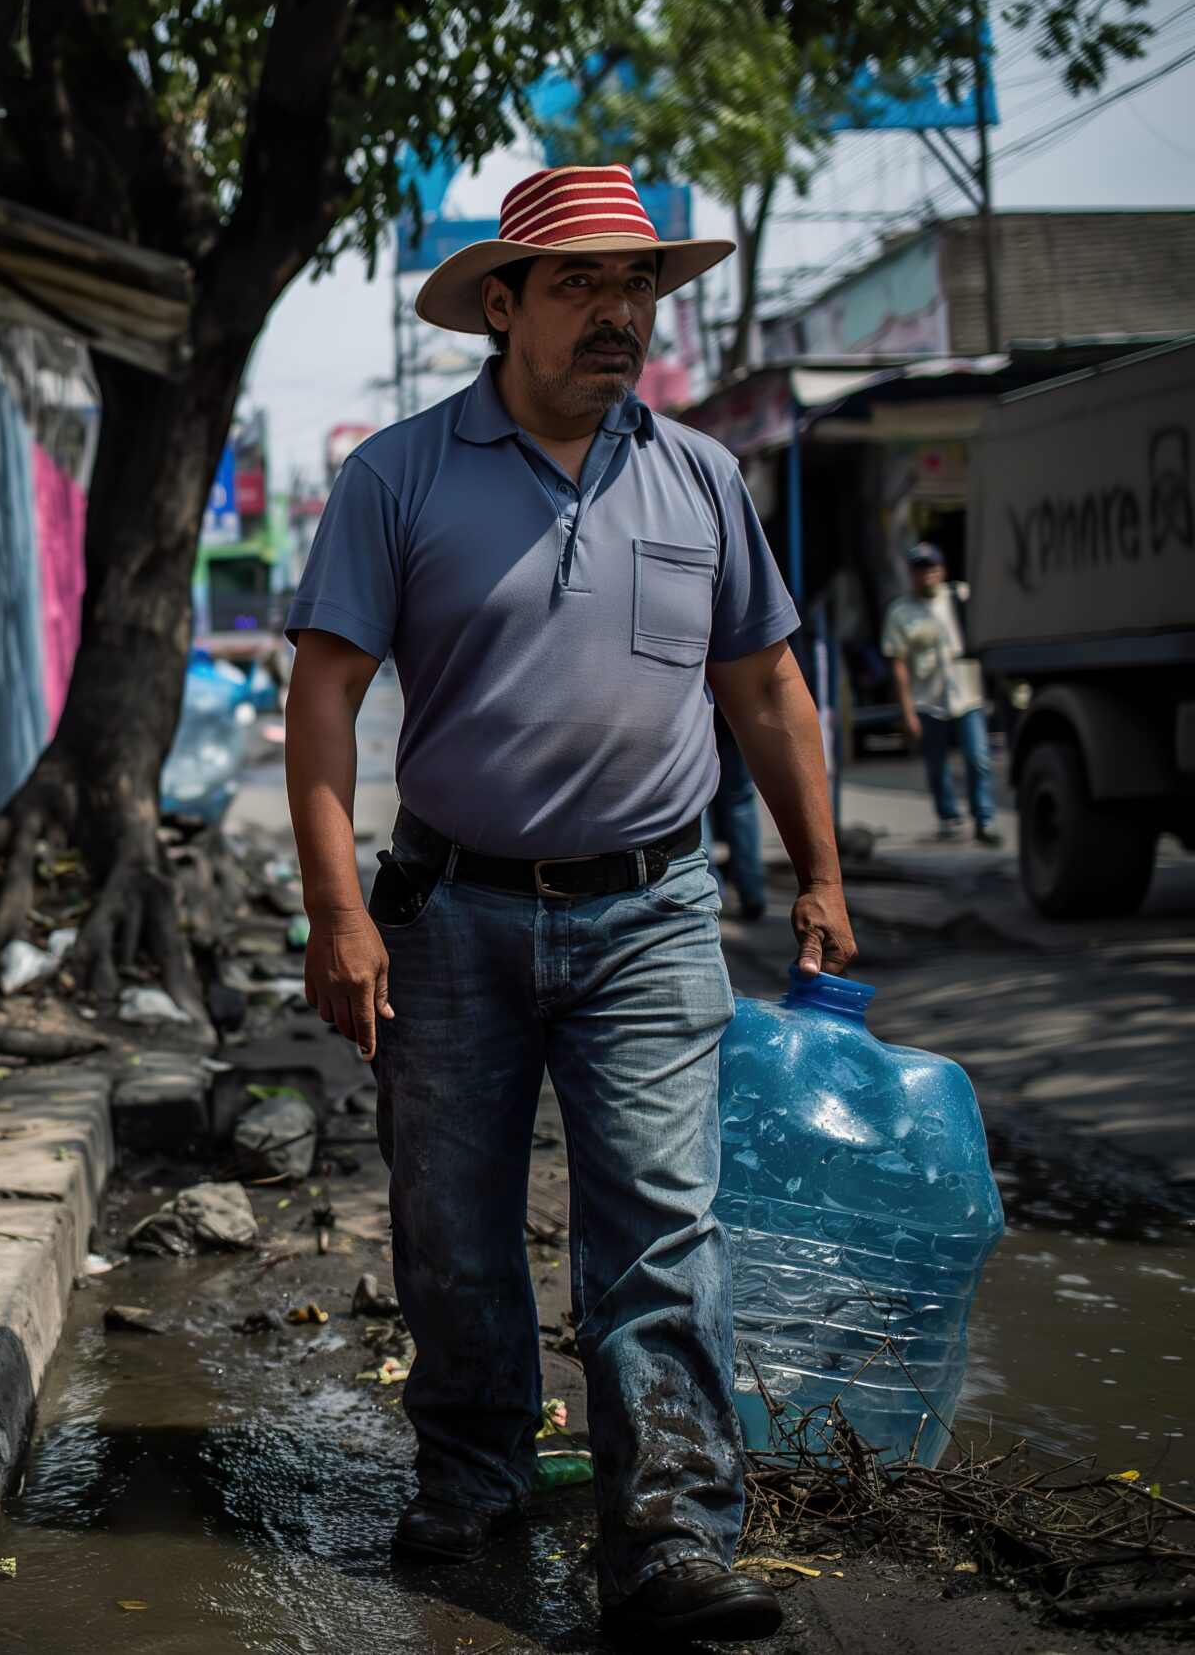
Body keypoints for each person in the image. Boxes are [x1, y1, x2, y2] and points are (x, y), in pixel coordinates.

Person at [282, 164, 856, 1647]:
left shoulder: (701, 477)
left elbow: (765, 685)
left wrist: (819, 868)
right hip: (449, 911)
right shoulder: (397, 475)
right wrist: (337, 912)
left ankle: (670, 1533)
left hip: (652, 913)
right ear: (503, 303)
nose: (620, 312)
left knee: (661, 1225)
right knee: (452, 1224)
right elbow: (325, 695)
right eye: (582, 283)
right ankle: (473, 1477)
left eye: (638, 284)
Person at [883, 542, 998, 845]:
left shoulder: (961, 598)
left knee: (978, 758)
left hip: (967, 695)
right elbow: (898, 665)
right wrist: (907, 713)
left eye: (931, 567)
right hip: (927, 701)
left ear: (942, 570)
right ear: (911, 574)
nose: (927, 574)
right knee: (937, 766)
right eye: (919, 569)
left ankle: (984, 819)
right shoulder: (900, 612)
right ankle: (949, 816)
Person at [708, 709, 769, 920]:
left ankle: (710, 892)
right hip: (736, 707)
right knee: (740, 799)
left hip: (697, 706)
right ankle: (751, 889)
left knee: (699, 803)